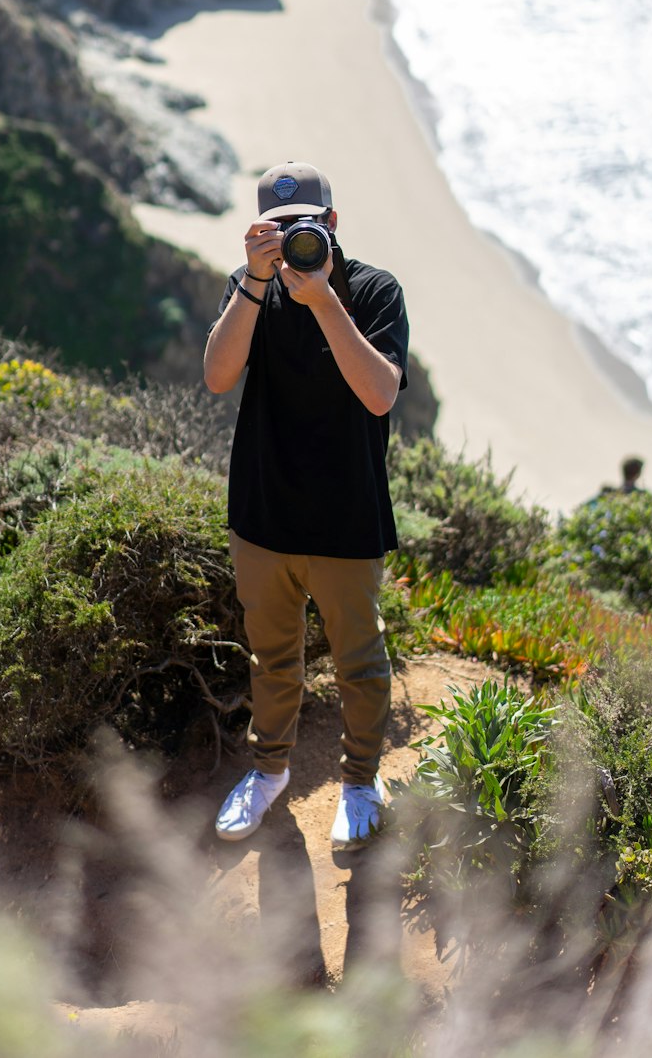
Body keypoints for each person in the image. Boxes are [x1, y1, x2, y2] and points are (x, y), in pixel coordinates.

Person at [204, 161, 409, 850]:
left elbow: (379, 393)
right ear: (262, 231)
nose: (299, 241)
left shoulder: (374, 290)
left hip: (348, 518)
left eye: (309, 227)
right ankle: (267, 774)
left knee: (360, 661)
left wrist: (323, 300)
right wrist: (256, 281)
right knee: (271, 658)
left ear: (333, 223)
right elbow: (217, 375)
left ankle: (359, 781)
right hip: (263, 514)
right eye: (282, 229)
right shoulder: (253, 292)